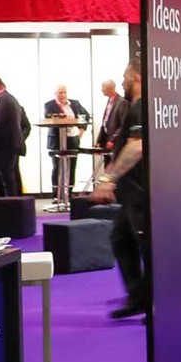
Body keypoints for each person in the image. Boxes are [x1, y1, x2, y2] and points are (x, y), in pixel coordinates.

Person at [89, 63, 149, 318]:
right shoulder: (137, 107)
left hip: (141, 191)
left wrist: (108, 180)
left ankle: (156, 303)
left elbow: (137, 147)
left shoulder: (140, 107)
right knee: (121, 239)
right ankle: (138, 297)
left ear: (136, 77)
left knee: (147, 246)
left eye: (125, 76)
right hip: (132, 192)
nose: (122, 81)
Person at [42, 84, 92, 199]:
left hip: (72, 138)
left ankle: (69, 193)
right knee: (57, 167)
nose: (63, 95)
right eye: (60, 92)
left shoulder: (75, 103)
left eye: (64, 92)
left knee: (72, 166)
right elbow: (49, 117)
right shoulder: (49, 105)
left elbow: (86, 115)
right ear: (55, 94)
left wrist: (82, 130)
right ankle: (57, 195)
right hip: (57, 140)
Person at [0, 74, 28, 196]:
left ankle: (11, 203)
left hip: (4, 146)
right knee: (8, 177)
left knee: (7, 178)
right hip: (9, 146)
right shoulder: (9, 99)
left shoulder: (3, 100)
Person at [95, 79, 126, 166]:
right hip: (106, 139)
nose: (102, 89)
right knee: (107, 165)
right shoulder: (109, 101)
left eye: (103, 87)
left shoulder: (122, 103)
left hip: (115, 142)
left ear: (110, 88)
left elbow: (123, 125)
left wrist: (113, 140)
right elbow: (105, 121)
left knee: (114, 165)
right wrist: (99, 140)